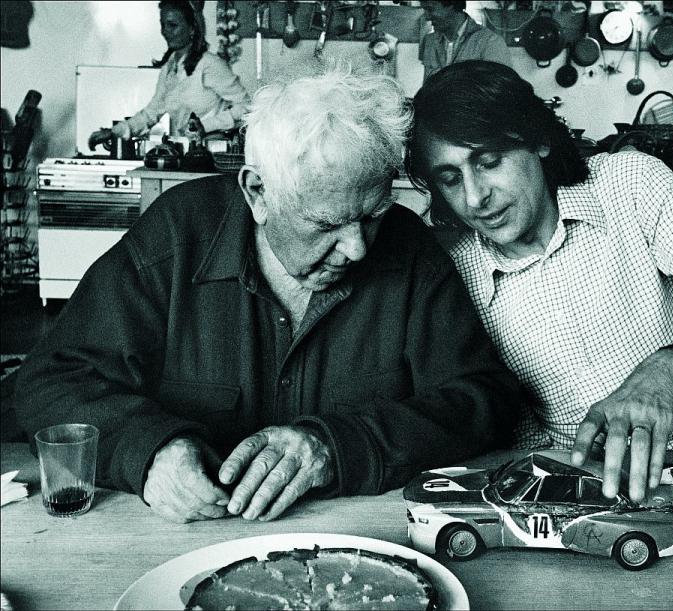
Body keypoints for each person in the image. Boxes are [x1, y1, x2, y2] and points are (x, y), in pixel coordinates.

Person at [16, 68, 522, 524]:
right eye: (326, 224)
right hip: (177, 540)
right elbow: (49, 383)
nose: (358, 247)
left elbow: (482, 400)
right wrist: (149, 451)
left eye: (371, 215)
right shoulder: (176, 236)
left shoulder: (408, 247)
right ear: (258, 193)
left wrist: (335, 446)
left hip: (358, 536)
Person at [405, 61, 673, 504]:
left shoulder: (628, 186)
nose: (475, 197)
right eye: (450, 178)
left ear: (537, 139)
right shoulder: (453, 271)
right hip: (573, 486)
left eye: (488, 162)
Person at [88, 0, 250, 147]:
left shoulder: (209, 64)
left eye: (172, 25)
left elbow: (246, 107)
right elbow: (150, 114)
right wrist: (114, 132)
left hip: (214, 155)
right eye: (163, 25)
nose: (165, 31)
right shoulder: (170, 68)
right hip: (188, 154)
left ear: (191, 28)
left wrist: (206, 126)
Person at [419, 1, 512, 82]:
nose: (426, 17)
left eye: (430, 9)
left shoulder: (490, 42)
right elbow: (426, 88)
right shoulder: (429, 41)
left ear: (451, 5)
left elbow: (500, 94)